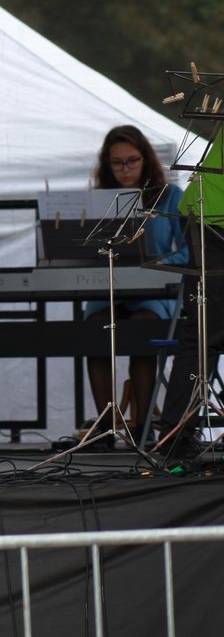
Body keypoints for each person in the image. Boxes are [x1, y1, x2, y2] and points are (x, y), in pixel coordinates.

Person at [82, 126, 187, 437]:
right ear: (106, 164)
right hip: (108, 289)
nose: (125, 169)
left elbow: (189, 249)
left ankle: (143, 428)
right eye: (116, 162)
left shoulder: (170, 196)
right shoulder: (97, 199)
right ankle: (104, 428)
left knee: (143, 331)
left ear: (145, 159)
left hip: (153, 290)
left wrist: (162, 263)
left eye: (132, 161)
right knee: (94, 330)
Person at [157, 132, 223, 462]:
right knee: (205, 335)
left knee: (203, 335)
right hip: (214, 216)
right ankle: (176, 436)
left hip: (207, 211)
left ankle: (176, 436)